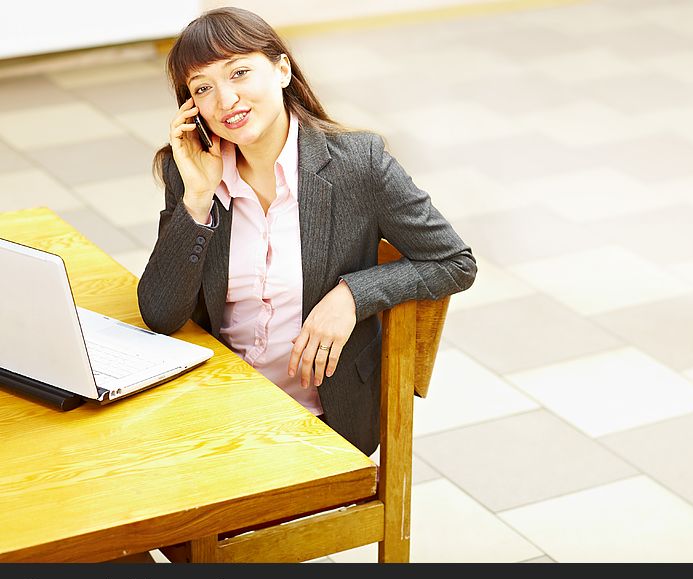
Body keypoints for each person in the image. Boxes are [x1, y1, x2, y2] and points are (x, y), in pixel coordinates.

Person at [137, 7, 477, 455]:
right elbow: (161, 314)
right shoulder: (190, 171)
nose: (225, 100)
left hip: (320, 423)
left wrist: (353, 295)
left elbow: (454, 262)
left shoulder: (360, 163)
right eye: (203, 88)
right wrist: (197, 198)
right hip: (220, 410)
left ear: (281, 69)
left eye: (239, 72)